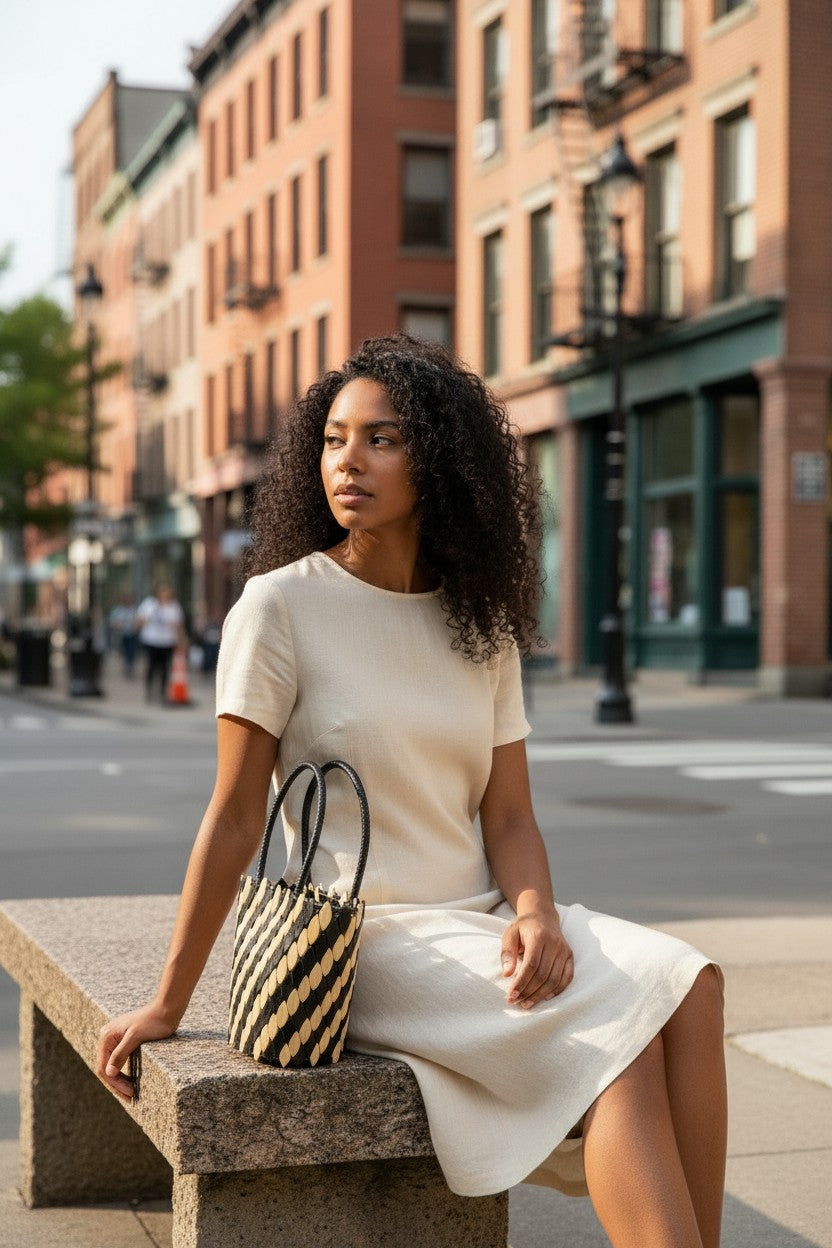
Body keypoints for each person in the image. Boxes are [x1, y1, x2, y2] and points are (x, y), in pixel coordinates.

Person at [98, 336, 726, 1248]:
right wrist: (168, 1002)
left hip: (475, 918)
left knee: (690, 984)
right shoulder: (279, 607)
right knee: (619, 1043)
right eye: (334, 438)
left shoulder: (483, 628)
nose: (348, 460)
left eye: (381, 438)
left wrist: (536, 911)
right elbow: (235, 815)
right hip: (366, 940)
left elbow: (508, 816)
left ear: (440, 462)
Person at [136, 582, 185, 704]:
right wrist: (143, 622)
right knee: (151, 667)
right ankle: (149, 691)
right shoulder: (149, 604)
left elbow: (178, 625)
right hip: (151, 641)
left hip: (167, 642)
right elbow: (138, 621)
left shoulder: (174, 606)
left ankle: (162, 692)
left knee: (164, 668)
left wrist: (182, 640)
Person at [108, 594, 139, 678]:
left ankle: (129, 666)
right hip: (121, 635)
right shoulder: (117, 610)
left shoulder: (133, 610)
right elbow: (112, 622)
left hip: (131, 634)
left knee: (131, 651)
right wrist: (118, 625)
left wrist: (135, 625)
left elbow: (138, 621)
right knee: (123, 651)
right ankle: (126, 666)